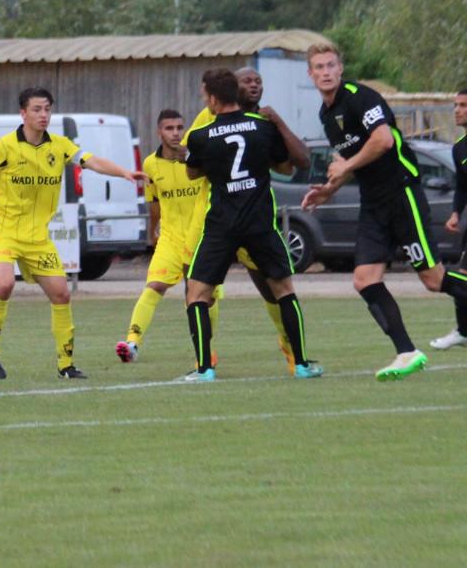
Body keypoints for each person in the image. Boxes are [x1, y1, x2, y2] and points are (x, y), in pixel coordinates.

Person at [303, 44, 467, 380]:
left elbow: (383, 141)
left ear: (340, 68)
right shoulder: (326, 115)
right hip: (373, 203)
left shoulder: (360, 98)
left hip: (401, 194)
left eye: (331, 65)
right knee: (364, 280)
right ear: (310, 74)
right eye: (318, 67)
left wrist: (345, 166)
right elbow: (352, 162)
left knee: (434, 280)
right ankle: (407, 352)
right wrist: (330, 190)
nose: (325, 72)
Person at [0, 87, 145, 379]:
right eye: (37, 109)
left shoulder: (60, 146)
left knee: (61, 294)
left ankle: (65, 365)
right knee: (4, 285)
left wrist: (123, 172)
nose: (43, 115)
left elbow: (92, 161)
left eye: (47, 109)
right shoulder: (4, 147)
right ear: (23, 114)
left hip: (38, 238)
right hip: (4, 230)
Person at [183, 68, 322, 382]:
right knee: (284, 290)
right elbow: (286, 167)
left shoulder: (201, 135)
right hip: (259, 221)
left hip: (221, 224)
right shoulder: (263, 127)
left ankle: (204, 369)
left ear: (213, 99)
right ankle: (301, 364)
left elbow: (192, 173)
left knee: (197, 294)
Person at [115, 109, 212, 363]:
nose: (176, 133)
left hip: (202, 239)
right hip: (169, 239)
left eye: (180, 128)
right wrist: (152, 231)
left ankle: (206, 352)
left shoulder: (197, 158)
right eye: (170, 128)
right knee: (153, 287)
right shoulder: (150, 164)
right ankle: (132, 343)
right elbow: (155, 201)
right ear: (159, 133)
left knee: (205, 298)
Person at [431, 88, 467, 350]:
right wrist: (455, 213)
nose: (457, 110)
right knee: (463, 276)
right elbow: (463, 187)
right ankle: (463, 332)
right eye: (456, 105)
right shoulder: (459, 148)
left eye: (463, 105)